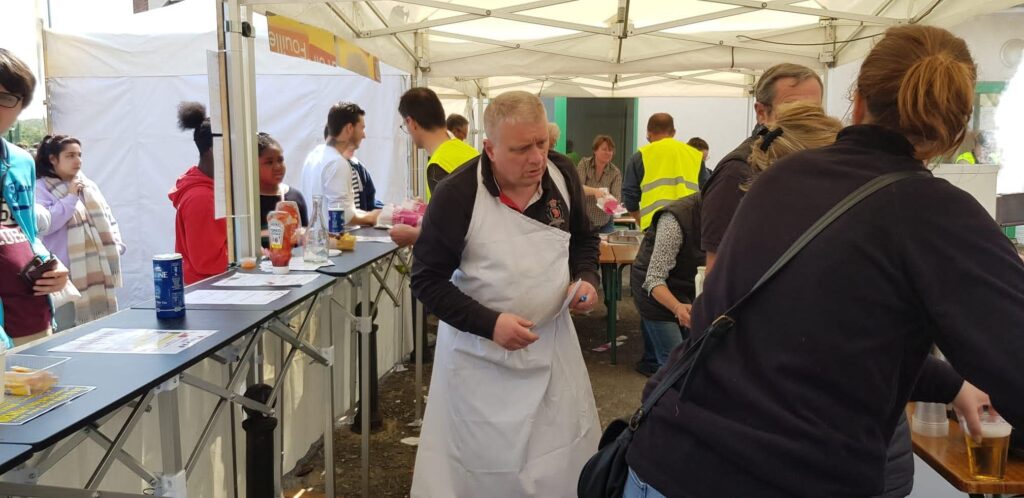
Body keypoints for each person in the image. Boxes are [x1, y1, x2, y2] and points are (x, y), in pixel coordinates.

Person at [625, 25, 1024, 498]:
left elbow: (812, 338)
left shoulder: (778, 177)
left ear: (856, 102)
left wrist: (950, 382)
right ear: (954, 132)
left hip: (665, 460)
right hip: (786, 478)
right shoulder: (938, 213)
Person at [410, 91, 600, 497]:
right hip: (479, 361)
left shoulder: (561, 174)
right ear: (490, 149)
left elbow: (584, 239)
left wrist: (586, 278)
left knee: (559, 460)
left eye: (541, 143)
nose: (535, 158)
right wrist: (490, 323)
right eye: (520, 149)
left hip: (551, 348)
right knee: (482, 470)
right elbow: (426, 281)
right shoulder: (457, 194)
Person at [700, 63, 823, 271]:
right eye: (793, 109)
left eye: (814, 111)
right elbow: (717, 271)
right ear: (761, 112)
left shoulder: (819, 164)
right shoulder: (737, 171)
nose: (804, 120)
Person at [1, 49, 70, 347]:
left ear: (20, 108)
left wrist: (48, 263)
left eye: (6, 97)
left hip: (33, 318)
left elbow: (27, 231)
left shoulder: (20, 161)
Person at [35, 134, 125, 329]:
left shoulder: (88, 186)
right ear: (52, 159)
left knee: (101, 332)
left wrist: (116, 245)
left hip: (97, 272)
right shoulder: (40, 188)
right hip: (63, 279)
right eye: (70, 155)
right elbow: (47, 224)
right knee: (68, 331)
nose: (78, 161)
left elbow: (108, 218)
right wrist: (70, 197)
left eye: (79, 155)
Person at [390, 88, 479, 247]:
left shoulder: (438, 166)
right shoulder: (467, 150)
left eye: (405, 125)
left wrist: (414, 235)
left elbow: (450, 230)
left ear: (411, 122)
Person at [169, 102, 228, 284]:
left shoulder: (206, 190)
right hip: (209, 294)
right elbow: (207, 262)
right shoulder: (201, 198)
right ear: (213, 150)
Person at [300, 102, 380, 228]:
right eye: (362, 128)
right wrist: (374, 216)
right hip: (335, 244)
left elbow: (339, 209)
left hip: (319, 240)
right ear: (349, 128)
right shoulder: (337, 162)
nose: (364, 135)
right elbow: (344, 216)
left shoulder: (313, 156)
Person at [622, 113, 705, 231]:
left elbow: (630, 197)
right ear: (673, 132)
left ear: (648, 133)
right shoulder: (695, 156)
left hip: (654, 225)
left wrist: (642, 222)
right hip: (689, 226)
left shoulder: (641, 156)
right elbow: (707, 192)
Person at [257, 132, 308, 248]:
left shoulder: (295, 197)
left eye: (280, 160)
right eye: (269, 162)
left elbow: (304, 234)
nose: (278, 167)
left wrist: (304, 234)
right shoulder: (248, 202)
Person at [577, 134, 621, 233]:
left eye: (610, 150)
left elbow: (617, 198)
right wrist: (595, 191)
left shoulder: (615, 172)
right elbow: (578, 188)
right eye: (604, 149)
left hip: (605, 223)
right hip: (584, 221)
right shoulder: (584, 164)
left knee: (605, 248)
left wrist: (610, 201)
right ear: (595, 150)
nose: (608, 153)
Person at [342, 146, 384, 212]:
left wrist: (390, 210)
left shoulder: (358, 166)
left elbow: (369, 202)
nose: (363, 136)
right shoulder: (344, 167)